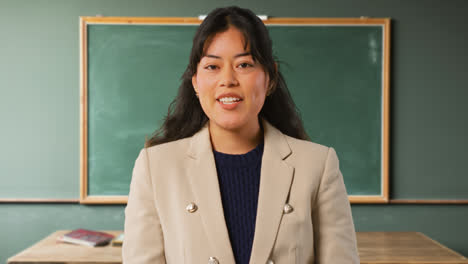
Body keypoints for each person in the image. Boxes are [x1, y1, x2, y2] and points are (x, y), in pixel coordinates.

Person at [123, 6, 359, 264]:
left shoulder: (318, 165)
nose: (228, 79)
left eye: (244, 64)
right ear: (195, 82)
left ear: (270, 78)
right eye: (212, 66)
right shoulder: (156, 167)